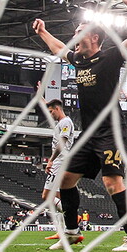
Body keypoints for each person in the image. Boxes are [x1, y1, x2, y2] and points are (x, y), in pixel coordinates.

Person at [33, 0, 127, 252]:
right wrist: (42, 33)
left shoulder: (109, 57)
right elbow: (58, 48)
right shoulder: (79, 61)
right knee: (66, 179)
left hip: (111, 132)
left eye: (79, 32)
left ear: (94, 38)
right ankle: (71, 234)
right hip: (89, 133)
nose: (74, 36)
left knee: (111, 182)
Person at [41, 99, 74, 241]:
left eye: (51, 112)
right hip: (61, 161)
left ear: (57, 109)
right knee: (59, 196)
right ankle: (62, 230)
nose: (50, 115)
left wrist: (51, 160)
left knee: (47, 196)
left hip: (60, 162)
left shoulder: (66, 122)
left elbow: (62, 143)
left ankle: (72, 214)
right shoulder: (61, 123)